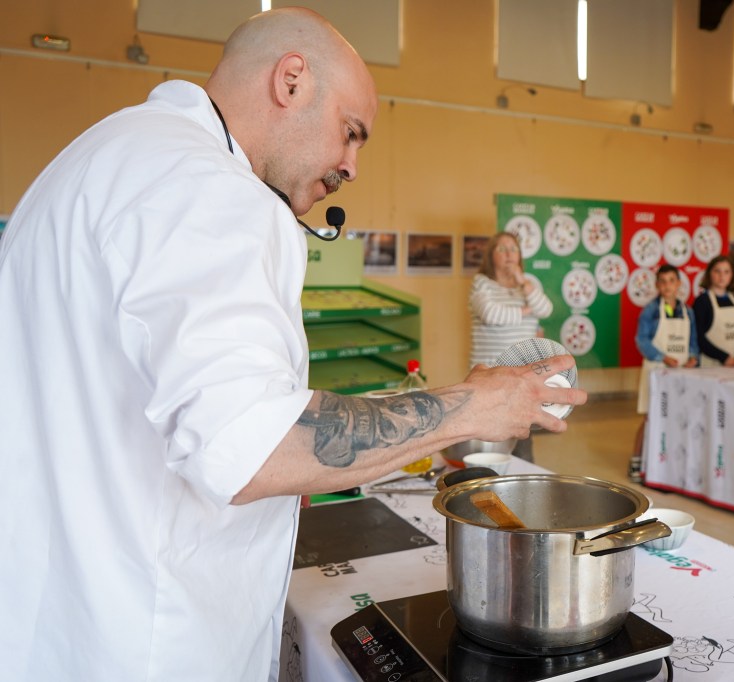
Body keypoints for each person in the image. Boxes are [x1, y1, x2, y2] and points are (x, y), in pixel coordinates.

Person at [0, 9, 586, 681]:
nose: (352, 166)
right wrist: (470, 408)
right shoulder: (213, 189)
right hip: (144, 641)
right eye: (351, 132)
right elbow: (252, 447)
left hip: (52, 625)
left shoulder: (110, 154)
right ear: (291, 80)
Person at [468, 231, 555, 461]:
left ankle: (523, 485)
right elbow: (491, 314)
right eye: (502, 249)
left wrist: (523, 283)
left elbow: (546, 309)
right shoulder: (481, 283)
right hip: (489, 374)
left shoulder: (529, 284)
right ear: (491, 256)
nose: (509, 254)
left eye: (513, 249)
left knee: (522, 437)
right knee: (488, 441)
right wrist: (527, 311)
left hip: (522, 375)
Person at [630, 264, 699, 482]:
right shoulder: (650, 311)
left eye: (672, 281)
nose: (667, 286)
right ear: (657, 285)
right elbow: (641, 340)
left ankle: (665, 464)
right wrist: (662, 357)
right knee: (650, 416)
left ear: (679, 284)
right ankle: (636, 461)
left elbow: (693, 342)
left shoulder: (688, 312)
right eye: (663, 281)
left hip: (680, 373)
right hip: (657, 371)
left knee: (676, 417)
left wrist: (694, 358)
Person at [692, 255, 734, 367]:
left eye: (726, 272)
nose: (722, 276)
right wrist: (724, 358)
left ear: (732, 275)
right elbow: (698, 337)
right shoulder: (702, 302)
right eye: (717, 271)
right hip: (710, 364)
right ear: (709, 274)